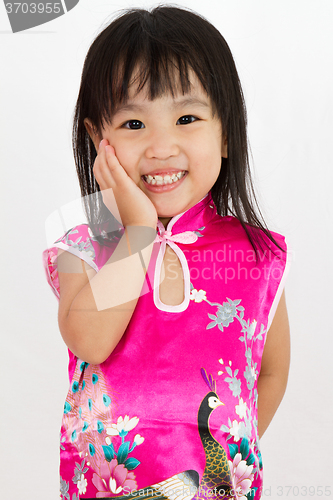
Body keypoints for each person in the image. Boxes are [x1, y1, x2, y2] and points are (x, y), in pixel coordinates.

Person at [43, 6, 291, 500]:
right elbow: (89, 341)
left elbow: (270, 369)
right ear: (98, 137)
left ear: (226, 132)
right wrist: (136, 229)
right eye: (133, 123)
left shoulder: (255, 253)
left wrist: (227, 453)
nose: (160, 147)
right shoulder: (84, 242)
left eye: (186, 118)